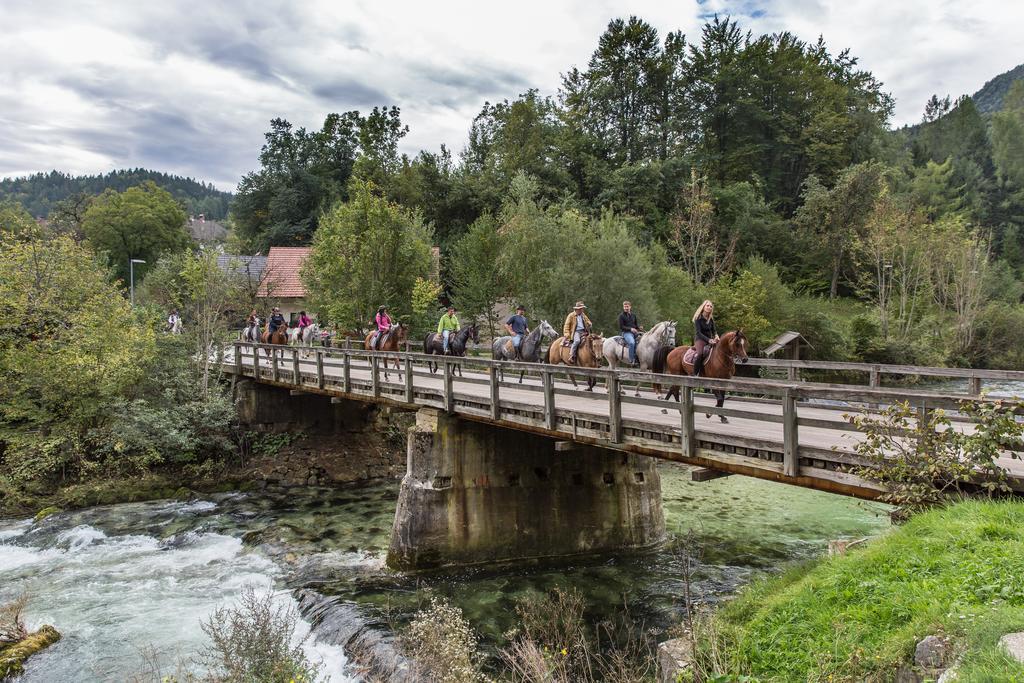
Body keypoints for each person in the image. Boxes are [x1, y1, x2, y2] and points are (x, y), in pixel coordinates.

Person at [692, 299, 719, 377]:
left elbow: (714, 331)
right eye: (707, 305)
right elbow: (698, 333)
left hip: (710, 340)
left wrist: (716, 336)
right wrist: (709, 340)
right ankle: (695, 373)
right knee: (700, 354)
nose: (709, 307)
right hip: (700, 340)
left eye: (711, 306)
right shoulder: (698, 318)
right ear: (703, 307)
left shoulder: (711, 319)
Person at [618, 300, 643, 365]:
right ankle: (631, 359)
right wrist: (630, 329)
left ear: (630, 307)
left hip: (635, 333)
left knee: (644, 340)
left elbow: (635, 325)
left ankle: (641, 358)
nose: (626, 308)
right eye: (625, 307)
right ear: (623, 307)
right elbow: (621, 327)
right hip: (626, 333)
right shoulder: (621, 316)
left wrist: (639, 328)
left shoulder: (633, 315)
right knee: (632, 343)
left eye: (627, 306)